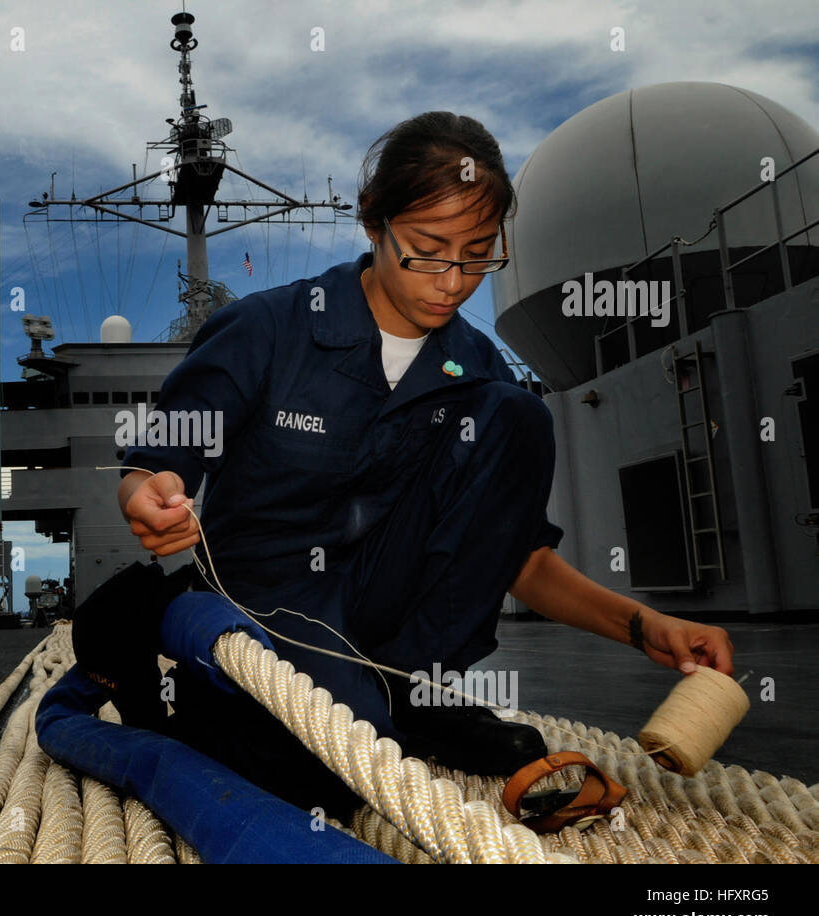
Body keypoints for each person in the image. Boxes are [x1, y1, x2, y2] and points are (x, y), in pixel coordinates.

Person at [114, 111, 735, 819]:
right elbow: (156, 464)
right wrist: (150, 493)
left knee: (518, 415)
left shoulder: (475, 364)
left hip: (388, 623)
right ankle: (367, 711)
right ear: (373, 223)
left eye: (478, 255)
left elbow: (518, 556)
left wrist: (643, 625)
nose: (453, 281)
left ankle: (405, 691)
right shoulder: (267, 328)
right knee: (327, 778)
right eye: (428, 249)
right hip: (269, 611)